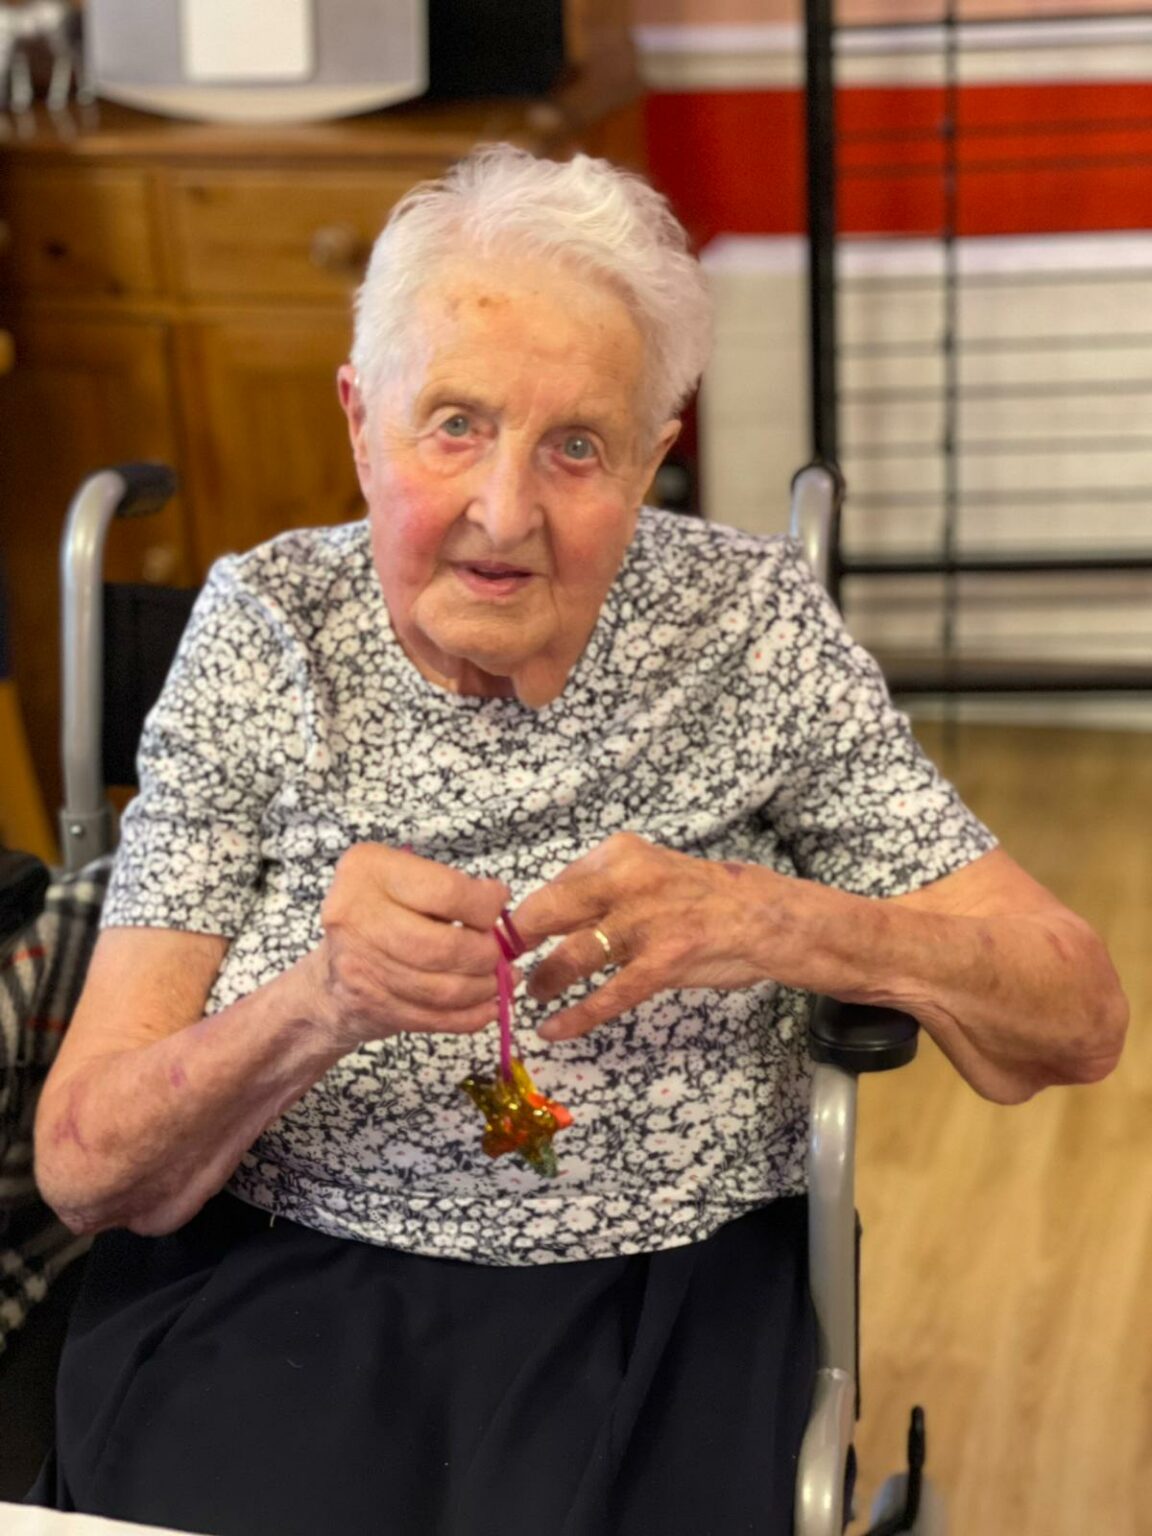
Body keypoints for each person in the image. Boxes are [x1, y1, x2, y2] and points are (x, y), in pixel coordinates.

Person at [31, 146, 1126, 1536]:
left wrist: (772, 919)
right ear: (361, 423)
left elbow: (1075, 1012)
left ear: (655, 458)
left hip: (660, 1292)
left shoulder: (747, 628)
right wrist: (322, 1001)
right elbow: (85, 1164)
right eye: (453, 425)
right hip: (278, 1276)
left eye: (577, 447)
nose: (506, 515)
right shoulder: (264, 633)